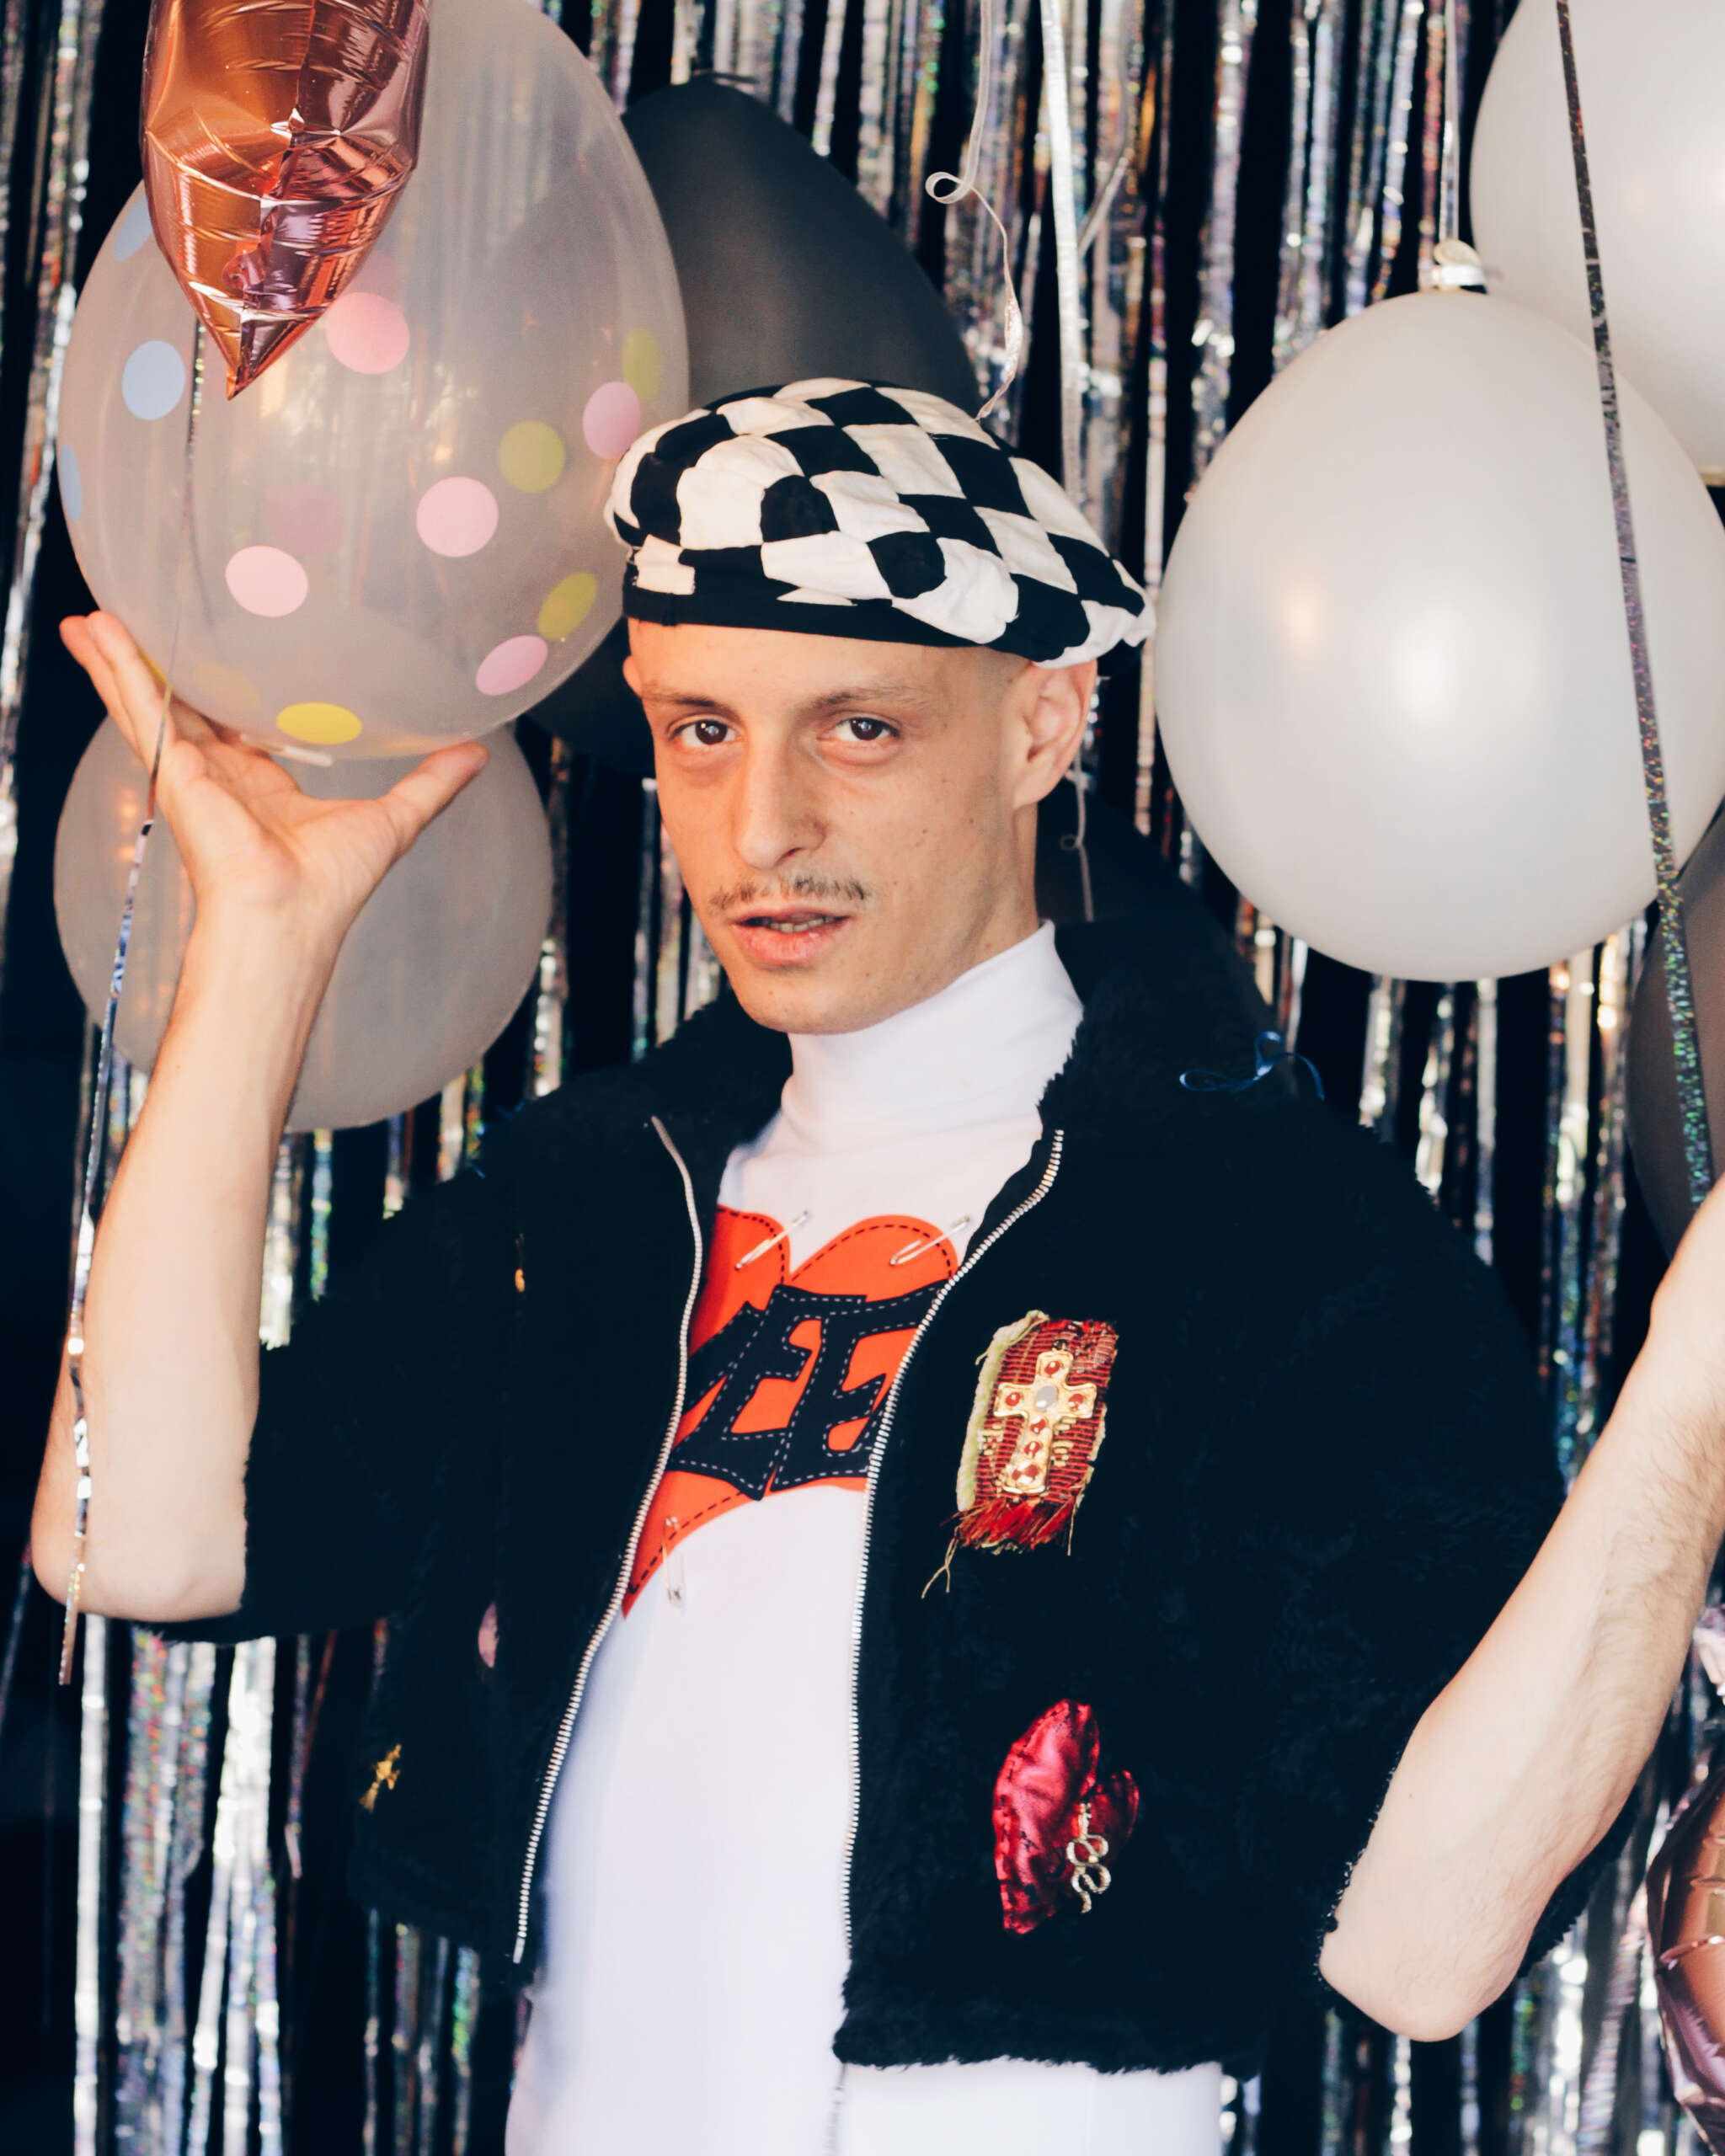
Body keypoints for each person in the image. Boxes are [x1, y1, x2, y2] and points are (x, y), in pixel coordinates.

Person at [29, 380, 1725, 2156]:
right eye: (700, 730)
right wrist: (262, 947)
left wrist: (1693, 1379)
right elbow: (129, 1533)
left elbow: (1424, 1950)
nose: (759, 826)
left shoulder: (1265, 1234)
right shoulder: (596, 1195)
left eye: (856, 729)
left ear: (1041, 725)